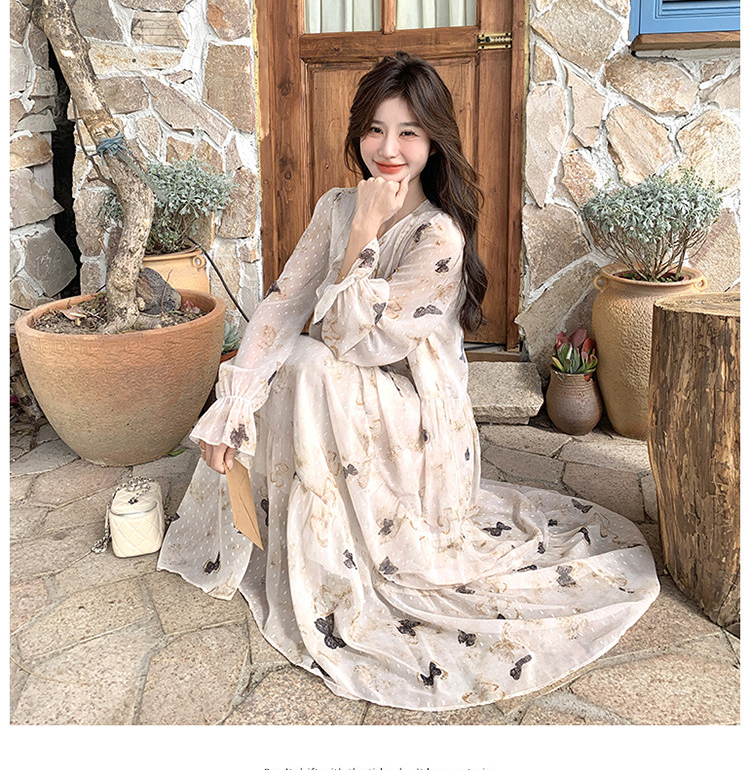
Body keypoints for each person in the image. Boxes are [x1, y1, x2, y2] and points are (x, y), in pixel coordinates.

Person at [158, 52, 659, 711]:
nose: (387, 149)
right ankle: (303, 529)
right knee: (284, 361)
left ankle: (339, 552)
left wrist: (365, 233)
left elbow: (349, 340)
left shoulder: (438, 235)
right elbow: (282, 304)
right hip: (347, 391)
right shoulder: (336, 205)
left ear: (433, 140)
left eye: (408, 132)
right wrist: (235, 406)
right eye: (374, 129)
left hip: (419, 421)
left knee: (306, 361)